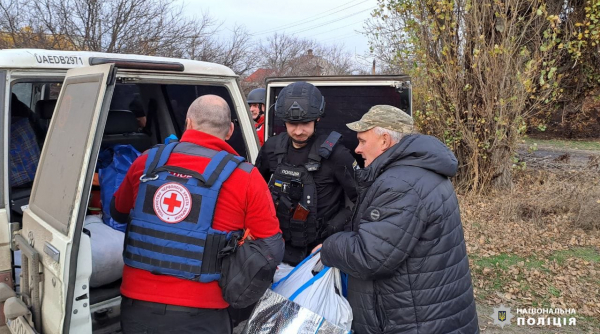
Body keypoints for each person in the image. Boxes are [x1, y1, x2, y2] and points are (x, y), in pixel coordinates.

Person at [110, 95, 283, 334]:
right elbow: (272, 248)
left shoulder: (146, 161)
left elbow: (117, 212)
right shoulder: (246, 177)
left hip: (137, 306)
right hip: (204, 312)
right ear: (230, 130)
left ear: (188, 123)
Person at [318, 105, 479, 334]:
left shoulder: (401, 184)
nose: (357, 149)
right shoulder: (417, 171)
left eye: (363, 141)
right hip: (429, 311)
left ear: (384, 141)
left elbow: (370, 257)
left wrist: (330, 246)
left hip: (414, 320)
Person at [255, 81, 358, 265]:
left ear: (317, 119)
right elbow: (254, 193)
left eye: (305, 123)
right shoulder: (272, 148)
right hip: (278, 249)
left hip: (320, 252)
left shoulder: (336, 154)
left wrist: (334, 235)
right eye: (292, 124)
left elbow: (361, 199)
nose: (298, 131)